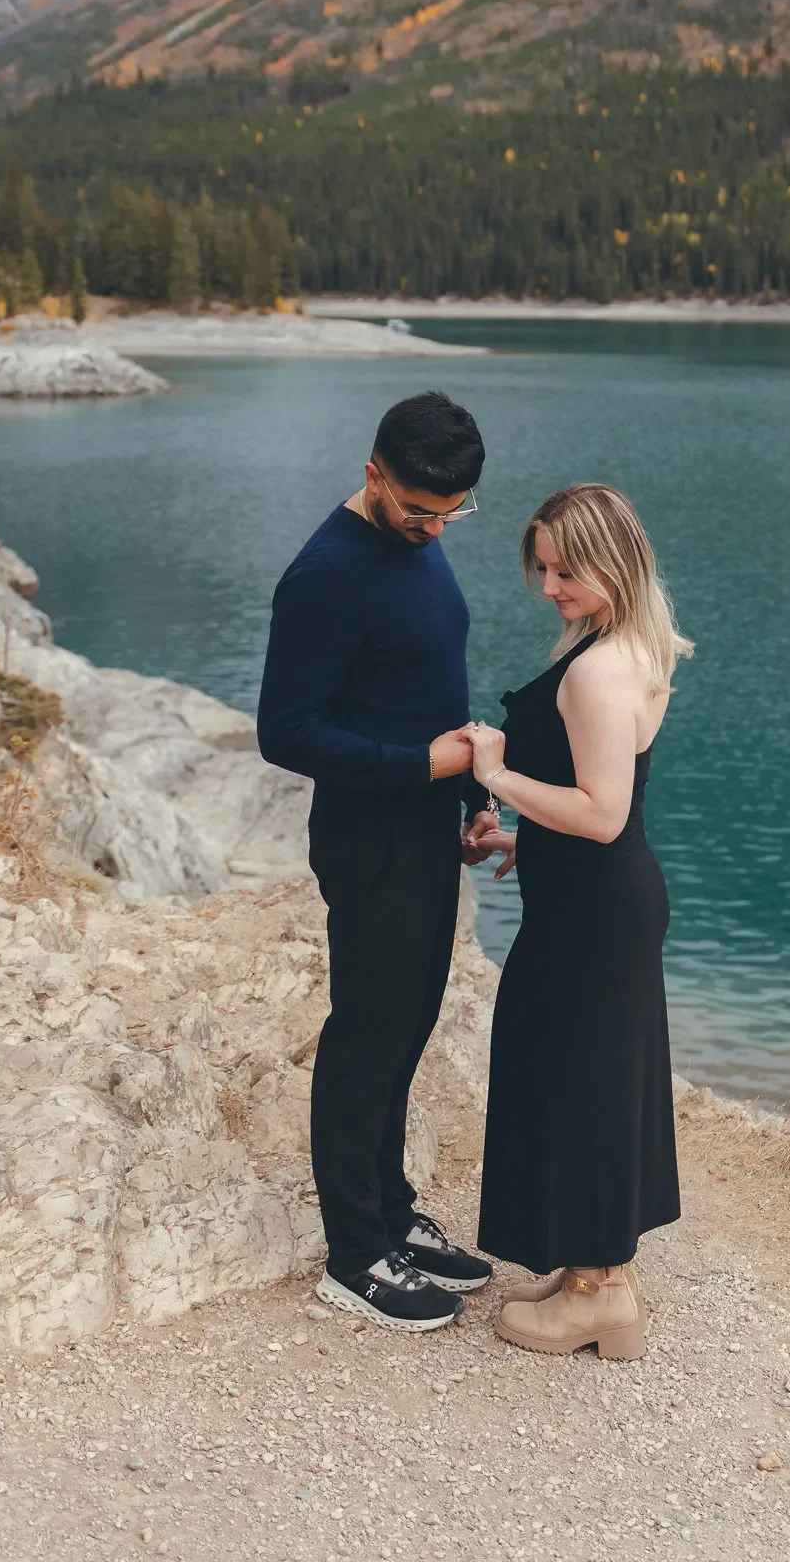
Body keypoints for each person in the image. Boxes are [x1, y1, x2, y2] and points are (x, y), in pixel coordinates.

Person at [257, 391, 493, 1332]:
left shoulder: (417, 550)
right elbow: (285, 732)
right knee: (365, 1035)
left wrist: (467, 798)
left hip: (428, 828)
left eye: (451, 513)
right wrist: (418, 766)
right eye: (417, 511)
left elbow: (429, 680)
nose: (434, 529)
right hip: (369, 841)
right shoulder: (324, 576)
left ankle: (391, 1211)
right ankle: (354, 1255)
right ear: (372, 476)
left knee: (406, 1028)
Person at [463, 483, 689, 1360]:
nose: (548, 586)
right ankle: (595, 1275)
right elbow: (605, 813)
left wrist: (496, 773)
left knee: (583, 1084)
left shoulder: (596, 669)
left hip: (595, 911)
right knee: (588, 1077)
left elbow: (600, 811)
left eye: (564, 570)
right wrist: (527, 841)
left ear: (613, 560)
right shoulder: (626, 642)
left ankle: (599, 1295)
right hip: (600, 895)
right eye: (545, 569)